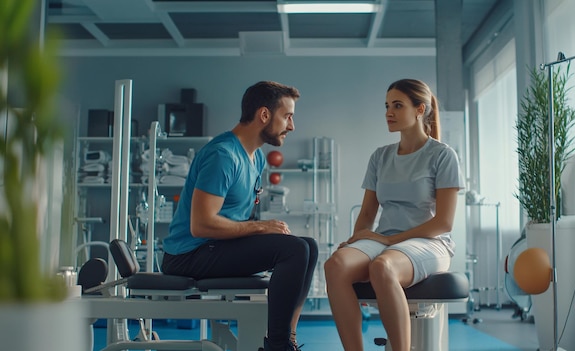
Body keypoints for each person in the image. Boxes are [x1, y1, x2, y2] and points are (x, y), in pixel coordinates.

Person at [161, 81, 318, 351]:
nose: (291, 126)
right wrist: (259, 228)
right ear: (264, 115)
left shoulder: (256, 158)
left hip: (215, 247)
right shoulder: (223, 155)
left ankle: (286, 338)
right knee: (293, 250)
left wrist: (259, 229)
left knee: (309, 247)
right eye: (288, 116)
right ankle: (278, 346)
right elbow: (201, 225)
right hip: (188, 255)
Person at [324, 78, 464, 351]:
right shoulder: (380, 157)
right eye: (387, 106)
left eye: (397, 106)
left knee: (382, 267)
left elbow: (443, 222)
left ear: (419, 109)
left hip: (430, 242)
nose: (389, 112)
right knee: (336, 265)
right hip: (383, 239)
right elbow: (367, 213)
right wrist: (355, 241)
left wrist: (389, 241)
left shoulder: (442, 155)